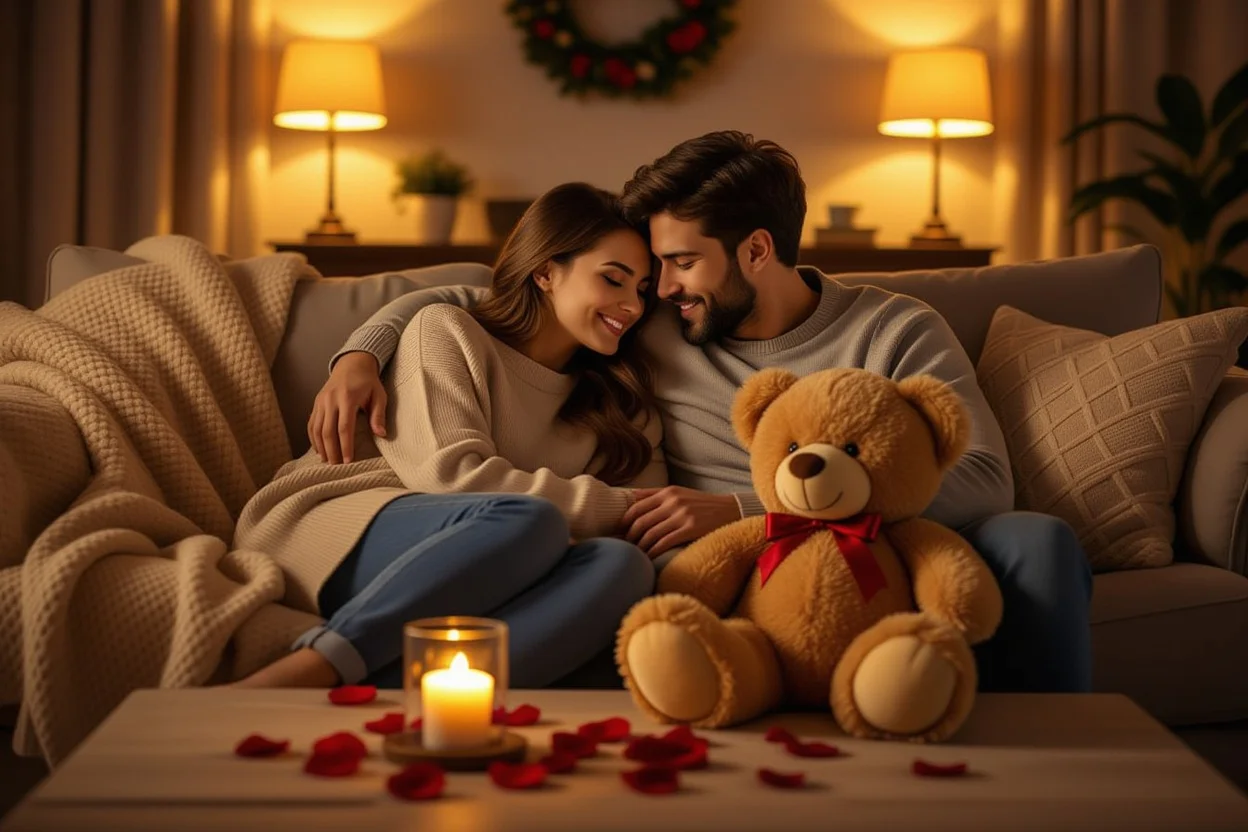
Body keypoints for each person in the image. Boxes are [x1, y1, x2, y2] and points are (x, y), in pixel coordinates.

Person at [312, 132, 1094, 694]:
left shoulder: (895, 327)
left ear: (756, 251)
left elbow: (988, 482)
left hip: (867, 546)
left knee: (1038, 540)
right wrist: (362, 349)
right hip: (721, 573)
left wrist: (748, 507)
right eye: (653, 270)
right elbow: (490, 301)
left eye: (681, 264)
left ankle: (1054, 777)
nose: (661, 287)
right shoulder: (652, 325)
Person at [232, 182, 665, 690]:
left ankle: (402, 691)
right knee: (531, 520)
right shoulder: (447, 330)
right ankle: (314, 668)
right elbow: (453, 478)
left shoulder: (623, 401)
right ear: (546, 271)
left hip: (483, 548)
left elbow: (649, 519)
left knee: (624, 566)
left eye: (641, 289)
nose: (631, 306)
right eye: (613, 280)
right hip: (335, 519)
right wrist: (609, 509)